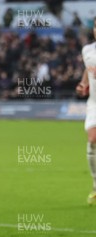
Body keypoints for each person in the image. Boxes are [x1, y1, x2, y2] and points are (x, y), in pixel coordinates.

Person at [76, 18, 96, 205]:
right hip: (94, 104)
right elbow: (87, 70)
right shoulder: (88, 50)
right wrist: (84, 83)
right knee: (92, 140)